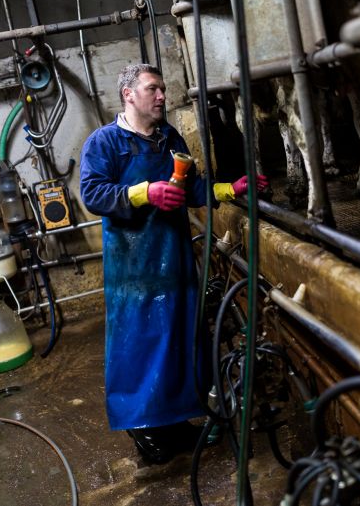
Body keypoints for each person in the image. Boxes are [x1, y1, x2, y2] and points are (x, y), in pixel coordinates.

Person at [79, 63, 268, 464]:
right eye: (153, 89)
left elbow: (191, 186)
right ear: (129, 95)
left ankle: (176, 420)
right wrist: (145, 193)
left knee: (180, 338)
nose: (162, 95)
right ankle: (145, 431)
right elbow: (93, 193)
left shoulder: (169, 138)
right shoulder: (105, 142)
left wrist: (227, 189)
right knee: (141, 343)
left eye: (163, 88)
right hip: (136, 266)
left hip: (175, 257)